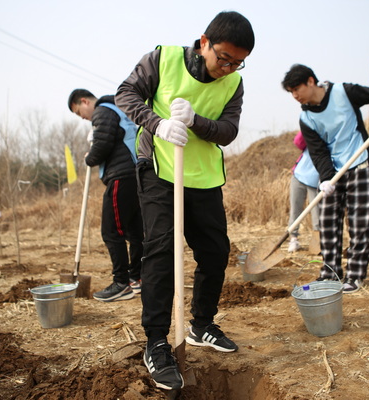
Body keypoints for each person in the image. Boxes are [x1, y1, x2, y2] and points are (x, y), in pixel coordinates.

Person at [115, 11, 255, 390]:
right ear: (204, 41)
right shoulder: (162, 60)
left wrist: (196, 121)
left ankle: (202, 324)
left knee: (214, 251)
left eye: (237, 62)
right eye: (223, 57)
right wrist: (156, 122)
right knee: (162, 250)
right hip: (159, 168)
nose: (227, 68)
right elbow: (125, 94)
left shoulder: (234, 84)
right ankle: (157, 342)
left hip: (204, 176)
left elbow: (227, 132)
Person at [281, 64, 369, 294]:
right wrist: (326, 178)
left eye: (296, 89)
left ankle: (355, 275)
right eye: (291, 92)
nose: (295, 96)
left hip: (360, 161)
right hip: (334, 170)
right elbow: (318, 151)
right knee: (329, 222)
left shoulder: (344, 91)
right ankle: (330, 272)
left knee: (359, 222)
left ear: (311, 81)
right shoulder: (306, 117)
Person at [67, 89, 143, 302]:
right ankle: (137, 278)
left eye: (78, 112)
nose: (82, 117)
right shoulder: (118, 109)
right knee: (135, 231)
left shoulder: (102, 111)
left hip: (121, 176)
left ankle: (121, 283)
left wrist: (89, 158)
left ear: (84, 101)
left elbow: (103, 145)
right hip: (135, 176)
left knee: (111, 231)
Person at [287, 131, 320, 252]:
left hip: (316, 181)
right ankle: (293, 239)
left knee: (317, 212)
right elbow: (298, 142)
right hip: (299, 175)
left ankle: (318, 242)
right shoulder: (311, 132)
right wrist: (307, 125)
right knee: (295, 210)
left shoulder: (331, 138)